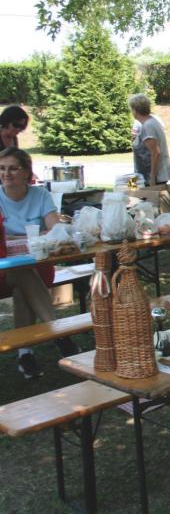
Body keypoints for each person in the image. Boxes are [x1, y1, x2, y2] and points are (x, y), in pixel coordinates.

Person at [0, 148, 80, 379]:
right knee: (21, 273)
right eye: (2, 168)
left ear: (26, 172)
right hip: (5, 271)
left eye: (13, 168)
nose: (6, 173)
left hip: (39, 267)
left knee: (22, 284)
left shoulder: (40, 195)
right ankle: (58, 334)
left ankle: (25, 354)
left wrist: (16, 237)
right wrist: (34, 236)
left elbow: (54, 228)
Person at [128, 93, 170, 187]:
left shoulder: (148, 126)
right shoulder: (152, 121)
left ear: (135, 110)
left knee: (136, 194)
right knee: (127, 186)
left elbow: (155, 152)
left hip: (153, 177)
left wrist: (152, 178)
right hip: (143, 174)